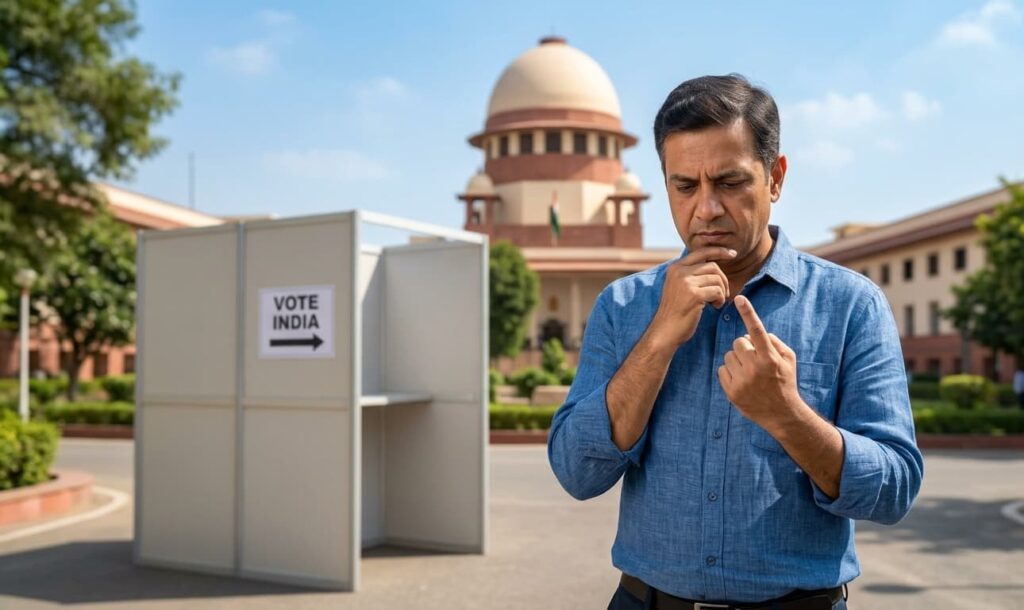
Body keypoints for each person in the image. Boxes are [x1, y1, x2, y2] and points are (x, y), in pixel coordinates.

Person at [547, 74, 923, 610]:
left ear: (775, 178)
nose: (706, 208)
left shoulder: (849, 306)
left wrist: (788, 415)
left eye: (729, 182)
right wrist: (658, 339)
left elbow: (894, 490)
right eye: (685, 186)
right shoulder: (625, 306)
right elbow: (577, 473)